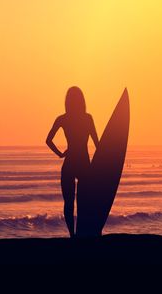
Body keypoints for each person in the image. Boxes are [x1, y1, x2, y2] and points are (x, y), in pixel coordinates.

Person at [46, 86, 99, 237]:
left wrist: (60, 154)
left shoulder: (63, 119)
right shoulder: (87, 118)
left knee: (69, 203)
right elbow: (97, 143)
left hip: (69, 163)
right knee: (83, 203)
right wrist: (98, 165)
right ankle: (82, 233)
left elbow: (48, 140)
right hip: (84, 164)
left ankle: (72, 235)